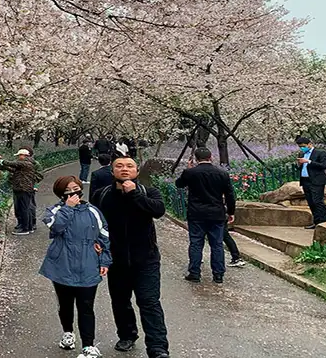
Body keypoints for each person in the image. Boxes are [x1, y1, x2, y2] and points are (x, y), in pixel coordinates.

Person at [96, 157, 171, 358]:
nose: (124, 169)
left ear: (137, 171)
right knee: (120, 301)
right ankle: (127, 334)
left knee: (149, 301)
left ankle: (157, 347)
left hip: (146, 259)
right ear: (112, 172)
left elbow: (158, 211)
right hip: (116, 259)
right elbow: (95, 222)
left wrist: (134, 194)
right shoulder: (102, 195)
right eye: (119, 166)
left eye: (129, 166)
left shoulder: (149, 192)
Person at [40, 175, 113, 358]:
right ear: (61, 193)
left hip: (87, 263)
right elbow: (56, 228)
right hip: (61, 264)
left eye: (76, 188)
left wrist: (105, 259)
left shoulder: (93, 211)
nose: (73, 193)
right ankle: (68, 334)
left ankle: (88, 345)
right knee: (65, 304)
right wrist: (68, 208)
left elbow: (104, 236)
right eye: (68, 190)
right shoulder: (54, 210)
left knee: (86, 306)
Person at [175, 147, 236, 283]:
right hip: (216, 213)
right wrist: (231, 212)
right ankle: (218, 274)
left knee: (196, 243)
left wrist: (188, 169)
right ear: (211, 157)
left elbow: (179, 184)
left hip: (196, 214)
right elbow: (230, 195)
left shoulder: (190, 173)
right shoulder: (222, 173)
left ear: (196, 159)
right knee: (217, 244)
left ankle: (195, 273)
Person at [0, 149, 41, 235]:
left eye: (19, 156)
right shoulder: (24, 165)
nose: (18, 157)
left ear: (24, 156)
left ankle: (25, 229)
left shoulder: (26, 163)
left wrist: (0, 159)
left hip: (24, 188)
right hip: (22, 188)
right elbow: (11, 169)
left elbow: (11, 164)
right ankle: (28, 227)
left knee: (24, 209)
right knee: (23, 208)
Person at [295, 136, 326, 229]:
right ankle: (316, 222)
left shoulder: (320, 153)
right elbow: (301, 168)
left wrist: (309, 161)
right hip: (305, 181)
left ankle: (324, 222)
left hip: (316, 181)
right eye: (300, 146)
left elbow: (324, 165)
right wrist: (299, 164)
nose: (302, 148)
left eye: (303, 146)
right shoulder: (302, 154)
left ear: (309, 144)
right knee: (311, 202)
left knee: (317, 201)